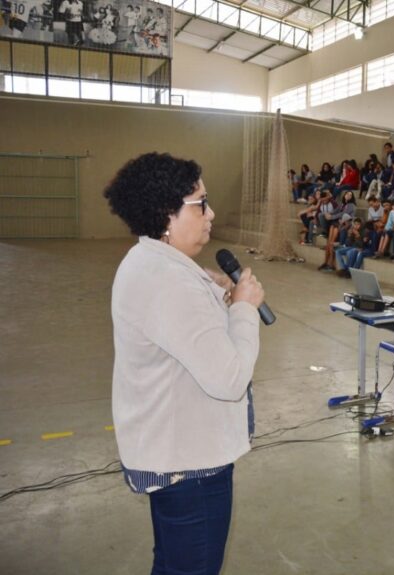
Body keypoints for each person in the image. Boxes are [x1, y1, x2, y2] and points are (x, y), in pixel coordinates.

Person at [104, 153, 264, 575]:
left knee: (175, 563)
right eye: (200, 204)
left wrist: (208, 286)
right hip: (190, 470)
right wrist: (244, 309)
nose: (211, 214)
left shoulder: (155, 263)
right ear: (166, 214)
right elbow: (230, 379)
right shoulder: (167, 280)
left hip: (176, 458)